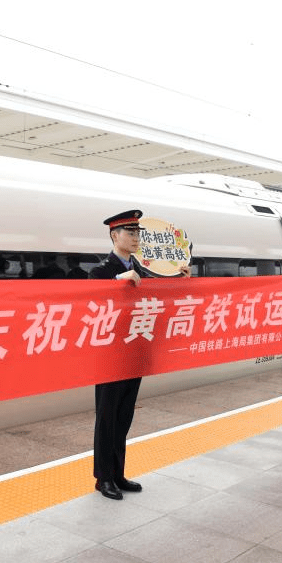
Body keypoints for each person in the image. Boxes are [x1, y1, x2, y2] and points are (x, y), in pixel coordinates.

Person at [89, 209, 190, 500]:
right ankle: (103, 477)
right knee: (106, 418)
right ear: (114, 236)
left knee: (124, 417)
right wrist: (119, 280)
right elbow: (92, 304)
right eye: (130, 233)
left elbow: (161, 302)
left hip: (135, 356)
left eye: (138, 234)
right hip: (109, 360)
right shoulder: (101, 272)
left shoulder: (144, 272)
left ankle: (118, 474)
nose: (135, 238)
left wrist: (182, 283)